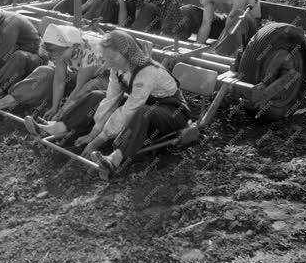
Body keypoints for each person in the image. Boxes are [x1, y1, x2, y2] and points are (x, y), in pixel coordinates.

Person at [25, 30, 191, 179]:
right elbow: (111, 99)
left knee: (142, 112)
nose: (108, 63)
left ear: (126, 53)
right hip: (145, 103)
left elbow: (129, 110)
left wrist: (99, 139)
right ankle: (58, 127)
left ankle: (116, 159)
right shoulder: (117, 68)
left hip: (172, 111)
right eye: (106, 58)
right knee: (97, 96)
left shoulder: (147, 72)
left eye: (112, 58)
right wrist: (95, 132)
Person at [0, 23, 108, 117]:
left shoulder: (90, 52)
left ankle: (63, 122)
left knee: (89, 87)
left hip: (102, 78)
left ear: (72, 47)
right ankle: (5, 102)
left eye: (54, 51)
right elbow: (59, 80)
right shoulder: (62, 48)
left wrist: (61, 111)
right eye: (50, 51)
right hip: (76, 72)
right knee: (45, 71)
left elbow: (79, 87)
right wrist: (54, 106)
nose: (51, 54)